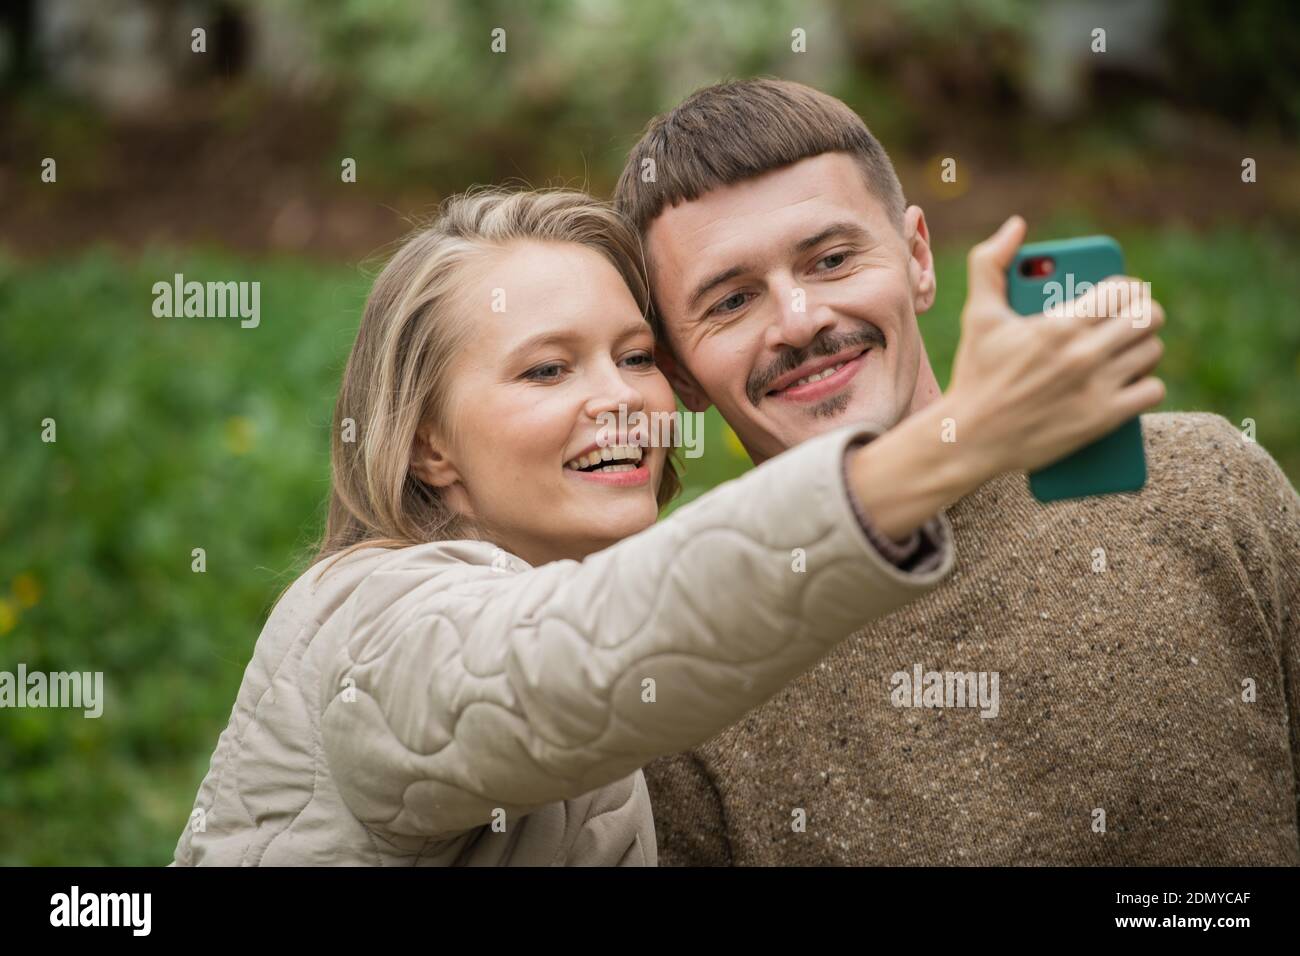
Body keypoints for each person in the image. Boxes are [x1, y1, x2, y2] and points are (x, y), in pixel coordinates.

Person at [171, 187, 1163, 865]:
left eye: (636, 355)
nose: (621, 400)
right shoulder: (371, 619)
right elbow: (568, 662)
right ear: (429, 445)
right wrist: (952, 440)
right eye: (546, 369)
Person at [613, 77, 1300, 865]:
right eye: (732, 302)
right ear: (683, 375)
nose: (799, 322)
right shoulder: (685, 676)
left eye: (832, 260)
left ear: (917, 260)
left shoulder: (1209, 484)